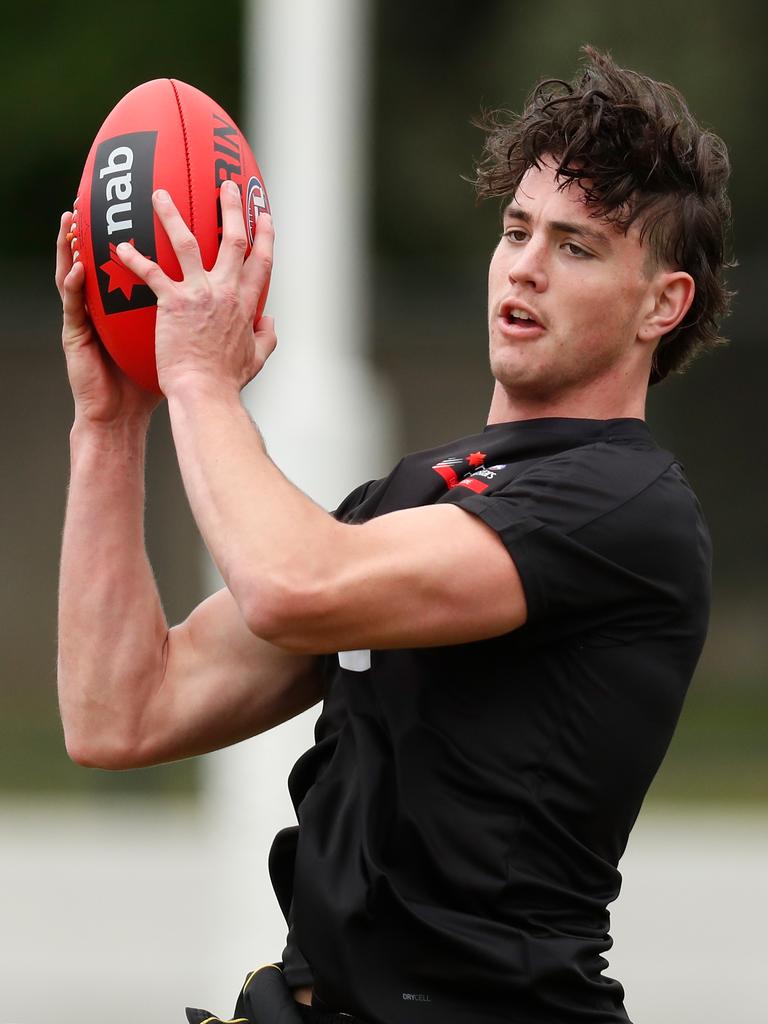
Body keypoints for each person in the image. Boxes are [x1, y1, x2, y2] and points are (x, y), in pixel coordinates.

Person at [55, 46, 732, 1024]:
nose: (526, 267)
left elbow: (292, 585)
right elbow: (122, 710)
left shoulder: (625, 506)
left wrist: (199, 379)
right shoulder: (415, 498)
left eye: (576, 247)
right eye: (516, 231)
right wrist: (113, 424)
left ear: (661, 305)